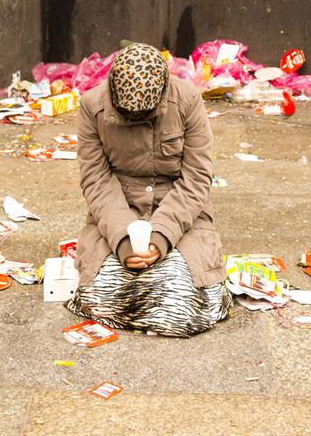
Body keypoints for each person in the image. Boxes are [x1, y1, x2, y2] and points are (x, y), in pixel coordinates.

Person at [66, 43, 230, 337]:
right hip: (119, 209)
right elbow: (97, 180)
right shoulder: (92, 106)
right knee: (103, 295)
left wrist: (161, 236)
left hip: (181, 211)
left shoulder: (188, 99)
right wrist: (123, 239)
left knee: (182, 299)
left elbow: (196, 178)